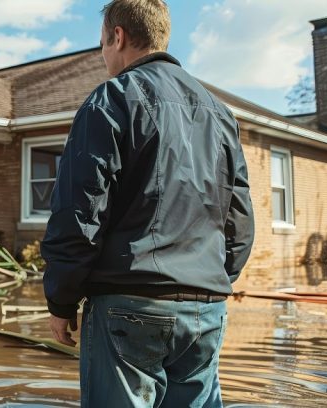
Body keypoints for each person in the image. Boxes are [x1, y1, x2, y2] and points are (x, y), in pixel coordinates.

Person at [41, 0, 254, 406]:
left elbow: (78, 212)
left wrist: (62, 300)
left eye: (102, 44)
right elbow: (239, 220)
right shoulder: (221, 114)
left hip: (128, 304)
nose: (104, 56)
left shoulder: (112, 98)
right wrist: (210, 278)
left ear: (117, 36)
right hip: (204, 310)